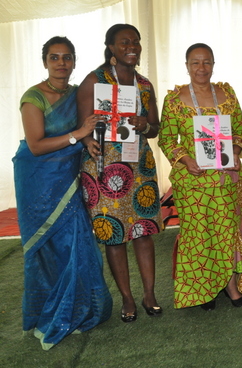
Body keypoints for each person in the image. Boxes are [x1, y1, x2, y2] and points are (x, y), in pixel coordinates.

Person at [13, 37, 112, 350]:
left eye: (67, 57)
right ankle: (49, 312)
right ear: (45, 61)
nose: (61, 63)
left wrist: (87, 141)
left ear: (74, 61)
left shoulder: (75, 94)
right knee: (47, 247)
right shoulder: (33, 97)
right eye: (54, 57)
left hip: (68, 179)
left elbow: (80, 133)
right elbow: (36, 145)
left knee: (76, 242)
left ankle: (81, 309)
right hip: (37, 181)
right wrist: (79, 134)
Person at [77, 24, 163, 323]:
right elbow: (83, 127)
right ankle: (127, 298)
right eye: (124, 42)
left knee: (143, 232)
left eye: (136, 41)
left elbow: (155, 128)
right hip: (104, 168)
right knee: (114, 235)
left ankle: (149, 294)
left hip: (139, 166)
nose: (132, 46)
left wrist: (144, 124)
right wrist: (88, 142)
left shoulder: (145, 85)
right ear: (111, 47)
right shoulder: (94, 80)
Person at [158, 43, 242, 310]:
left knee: (226, 231)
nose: (201, 68)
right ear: (187, 66)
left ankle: (230, 286)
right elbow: (166, 139)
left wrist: (235, 152)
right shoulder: (174, 100)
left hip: (225, 178)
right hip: (193, 180)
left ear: (213, 64)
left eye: (207, 62)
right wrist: (186, 160)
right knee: (198, 236)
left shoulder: (227, 94)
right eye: (195, 62)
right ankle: (204, 289)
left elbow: (240, 130)